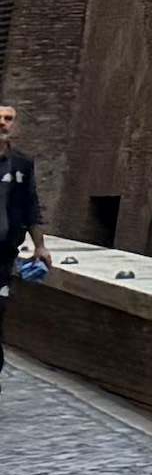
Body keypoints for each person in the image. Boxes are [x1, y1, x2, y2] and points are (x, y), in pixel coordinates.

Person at [0, 104, 44, 370]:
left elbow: (31, 206)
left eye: (9, 119)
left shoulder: (22, 165)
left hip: (3, 256)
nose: (3, 123)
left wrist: (40, 246)